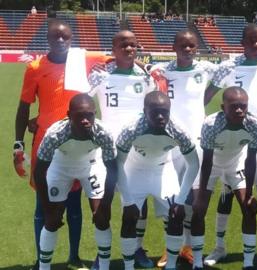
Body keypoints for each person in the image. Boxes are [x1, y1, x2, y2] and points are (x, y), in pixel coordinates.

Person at [14, 19, 110, 270]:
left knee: (74, 204)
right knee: (43, 205)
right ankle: (41, 258)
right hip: (46, 142)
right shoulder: (35, 67)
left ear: (71, 39)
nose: (60, 41)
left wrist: (147, 68)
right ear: (47, 39)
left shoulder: (82, 59)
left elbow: (118, 56)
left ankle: (74, 256)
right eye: (55, 37)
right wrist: (18, 143)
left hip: (79, 142)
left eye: (65, 37)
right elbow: (24, 106)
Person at [203, 24, 257, 266]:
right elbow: (208, 94)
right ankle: (219, 247)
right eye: (251, 40)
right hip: (233, 142)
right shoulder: (229, 67)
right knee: (227, 194)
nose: (255, 45)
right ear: (242, 42)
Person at [149, 29, 219, 268]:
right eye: (183, 46)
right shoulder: (161, 71)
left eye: (191, 46)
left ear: (196, 47)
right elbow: (140, 69)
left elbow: (233, 70)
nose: (187, 50)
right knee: (170, 198)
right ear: (174, 47)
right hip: (169, 144)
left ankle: (187, 247)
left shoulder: (206, 69)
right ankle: (171, 248)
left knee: (192, 200)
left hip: (197, 143)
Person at [88, 30, 157, 269]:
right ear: (114, 48)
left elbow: (154, 107)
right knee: (102, 203)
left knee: (139, 203)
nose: (129, 49)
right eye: (123, 45)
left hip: (137, 152)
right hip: (105, 150)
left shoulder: (146, 77)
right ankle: (102, 254)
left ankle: (137, 248)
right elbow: (81, 103)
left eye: (133, 45)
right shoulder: (99, 75)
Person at [116, 91, 199, 270]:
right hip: (134, 171)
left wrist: (181, 199)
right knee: (129, 217)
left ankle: (170, 264)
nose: (161, 117)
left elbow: (193, 164)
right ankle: (129, 266)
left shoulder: (178, 130)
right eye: (155, 112)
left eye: (165, 112)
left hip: (163, 169)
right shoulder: (131, 129)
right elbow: (118, 164)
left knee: (177, 214)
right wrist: (128, 200)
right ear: (144, 110)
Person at [34, 94, 117, 270]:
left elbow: (113, 169)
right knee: (52, 220)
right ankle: (44, 267)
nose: (86, 121)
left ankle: (104, 266)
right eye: (80, 116)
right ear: (69, 115)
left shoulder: (103, 132)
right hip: (61, 166)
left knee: (102, 218)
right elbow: (39, 171)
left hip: (91, 164)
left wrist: (106, 205)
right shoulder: (55, 134)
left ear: (95, 114)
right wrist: (48, 208)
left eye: (90, 115)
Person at [191, 87, 257, 270]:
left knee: (249, 209)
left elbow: (250, 159)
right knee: (199, 210)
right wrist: (200, 196)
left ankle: (248, 263)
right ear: (223, 107)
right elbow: (207, 161)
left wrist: (249, 192)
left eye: (243, 106)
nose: (239, 110)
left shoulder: (256, 125)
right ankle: (198, 262)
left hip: (236, 163)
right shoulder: (210, 124)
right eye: (234, 107)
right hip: (211, 165)